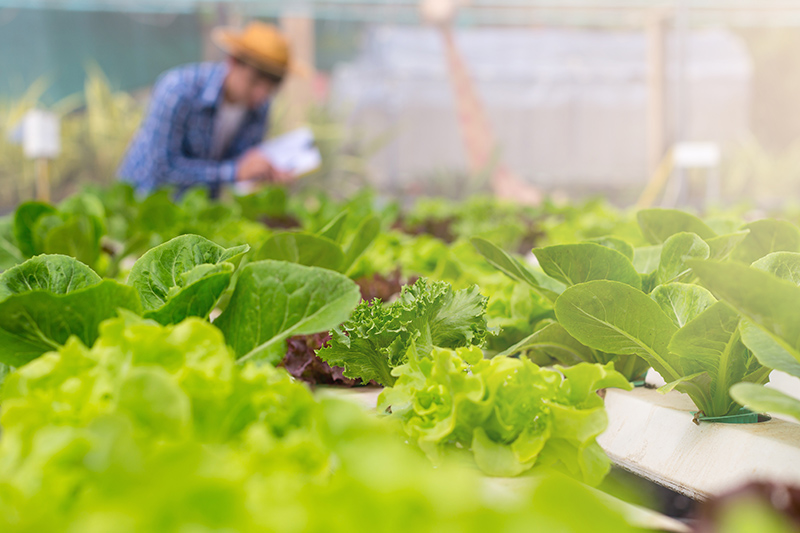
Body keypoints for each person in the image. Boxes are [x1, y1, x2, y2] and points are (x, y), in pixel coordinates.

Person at [118, 21, 296, 197]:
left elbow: (243, 167)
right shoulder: (178, 90)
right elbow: (164, 168)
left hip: (198, 210)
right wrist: (234, 172)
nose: (261, 95)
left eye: (270, 89)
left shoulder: (259, 109)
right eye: (254, 82)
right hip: (143, 201)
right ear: (233, 61)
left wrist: (265, 173)